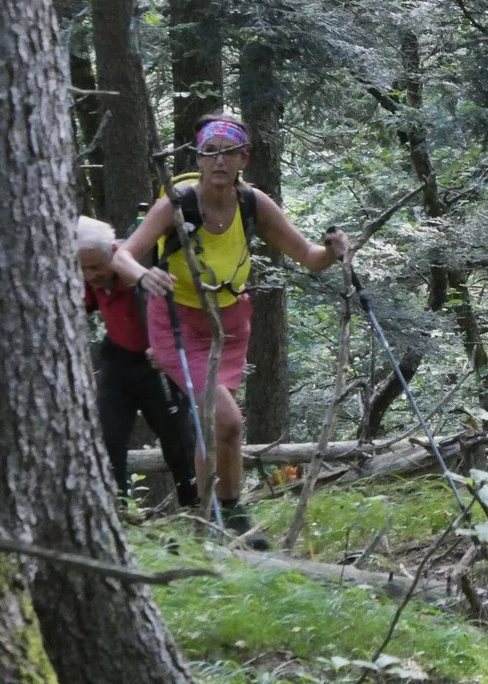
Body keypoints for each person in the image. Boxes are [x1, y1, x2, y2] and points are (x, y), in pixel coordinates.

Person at [112, 114, 349, 550]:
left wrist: (334, 249)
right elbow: (124, 255)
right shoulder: (177, 201)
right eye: (209, 151)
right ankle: (226, 513)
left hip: (230, 323)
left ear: (244, 158)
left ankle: (215, 518)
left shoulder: (252, 203)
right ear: (198, 158)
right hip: (177, 323)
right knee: (227, 420)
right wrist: (143, 277)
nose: (218, 160)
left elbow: (310, 257)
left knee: (218, 428)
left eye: (228, 152)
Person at [77, 216, 200, 507]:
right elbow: (80, 304)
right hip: (117, 361)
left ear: (114, 252)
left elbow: (186, 316)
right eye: (83, 268)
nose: (91, 274)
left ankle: (194, 507)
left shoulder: (140, 267)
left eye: (96, 266)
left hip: (158, 365)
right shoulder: (90, 274)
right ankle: (117, 508)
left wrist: (166, 347)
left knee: (178, 438)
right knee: (107, 436)